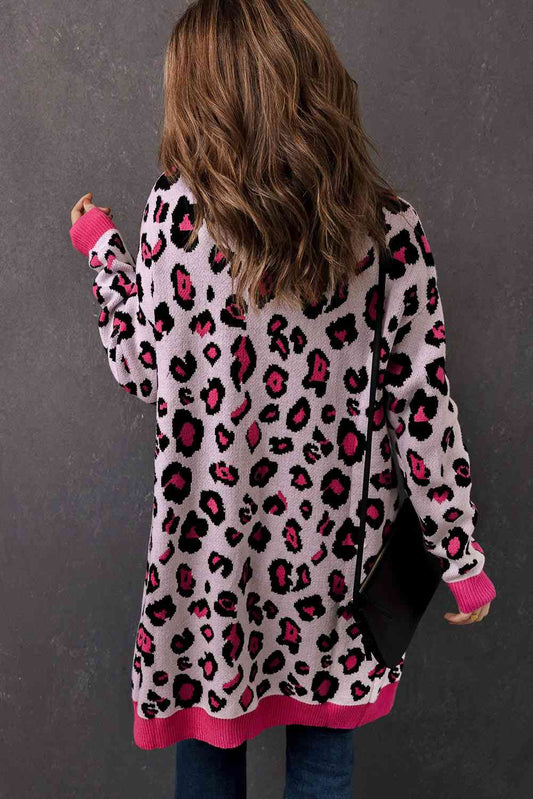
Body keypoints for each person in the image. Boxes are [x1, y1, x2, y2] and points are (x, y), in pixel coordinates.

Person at [68, 1, 497, 796]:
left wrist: (102, 253)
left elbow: (140, 366)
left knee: (207, 749)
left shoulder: (174, 222)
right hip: (335, 568)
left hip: (212, 567)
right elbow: (423, 411)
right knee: (323, 762)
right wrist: (459, 556)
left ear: (199, 96)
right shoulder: (388, 230)